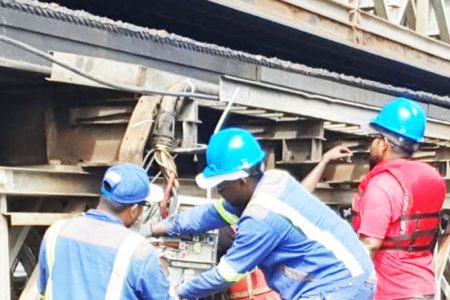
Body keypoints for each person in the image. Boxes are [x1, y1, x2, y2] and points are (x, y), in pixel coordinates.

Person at [151, 128, 375, 299]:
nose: (219, 192)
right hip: (350, 275)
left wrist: (176, 292)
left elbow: (226, 273)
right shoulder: (272, 181)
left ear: (241, 180)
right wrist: (156, 228)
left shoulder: (262, 217)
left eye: (221, 186)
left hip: (338, 286)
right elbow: (212, 214)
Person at [352, 97, 446, 299]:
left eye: (374, 138)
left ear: (384, 143)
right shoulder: (432, 179)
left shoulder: (382, 186)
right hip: (423, 288)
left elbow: (369, 244)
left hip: (391, 293)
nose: (371, 144)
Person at [37, 163, 173, 300]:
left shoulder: (55, 232)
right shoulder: (139, 253)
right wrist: (164, 277)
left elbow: (44, 289)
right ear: (133, 210)